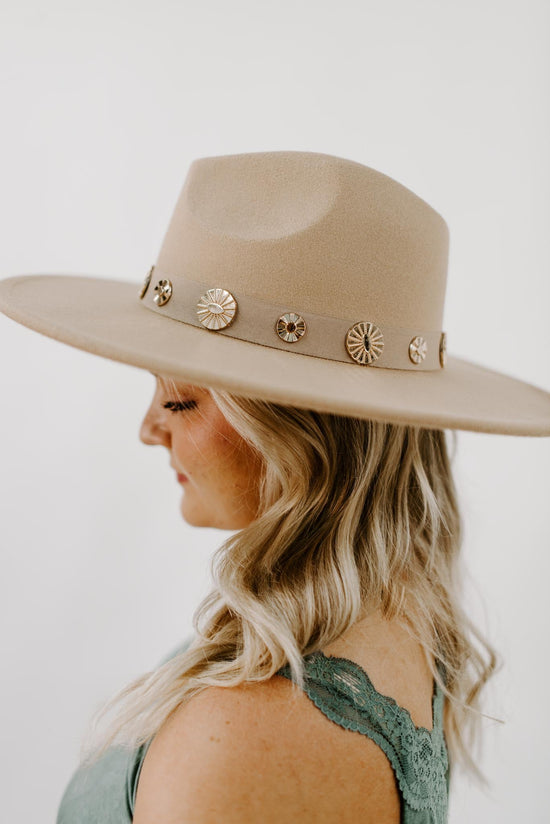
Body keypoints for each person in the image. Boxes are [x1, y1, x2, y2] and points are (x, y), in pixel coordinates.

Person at [0, 150, 549, 824]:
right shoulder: (394, 615)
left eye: (179, 401)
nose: (148, 430)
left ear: (300, 434)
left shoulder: (239, 745)